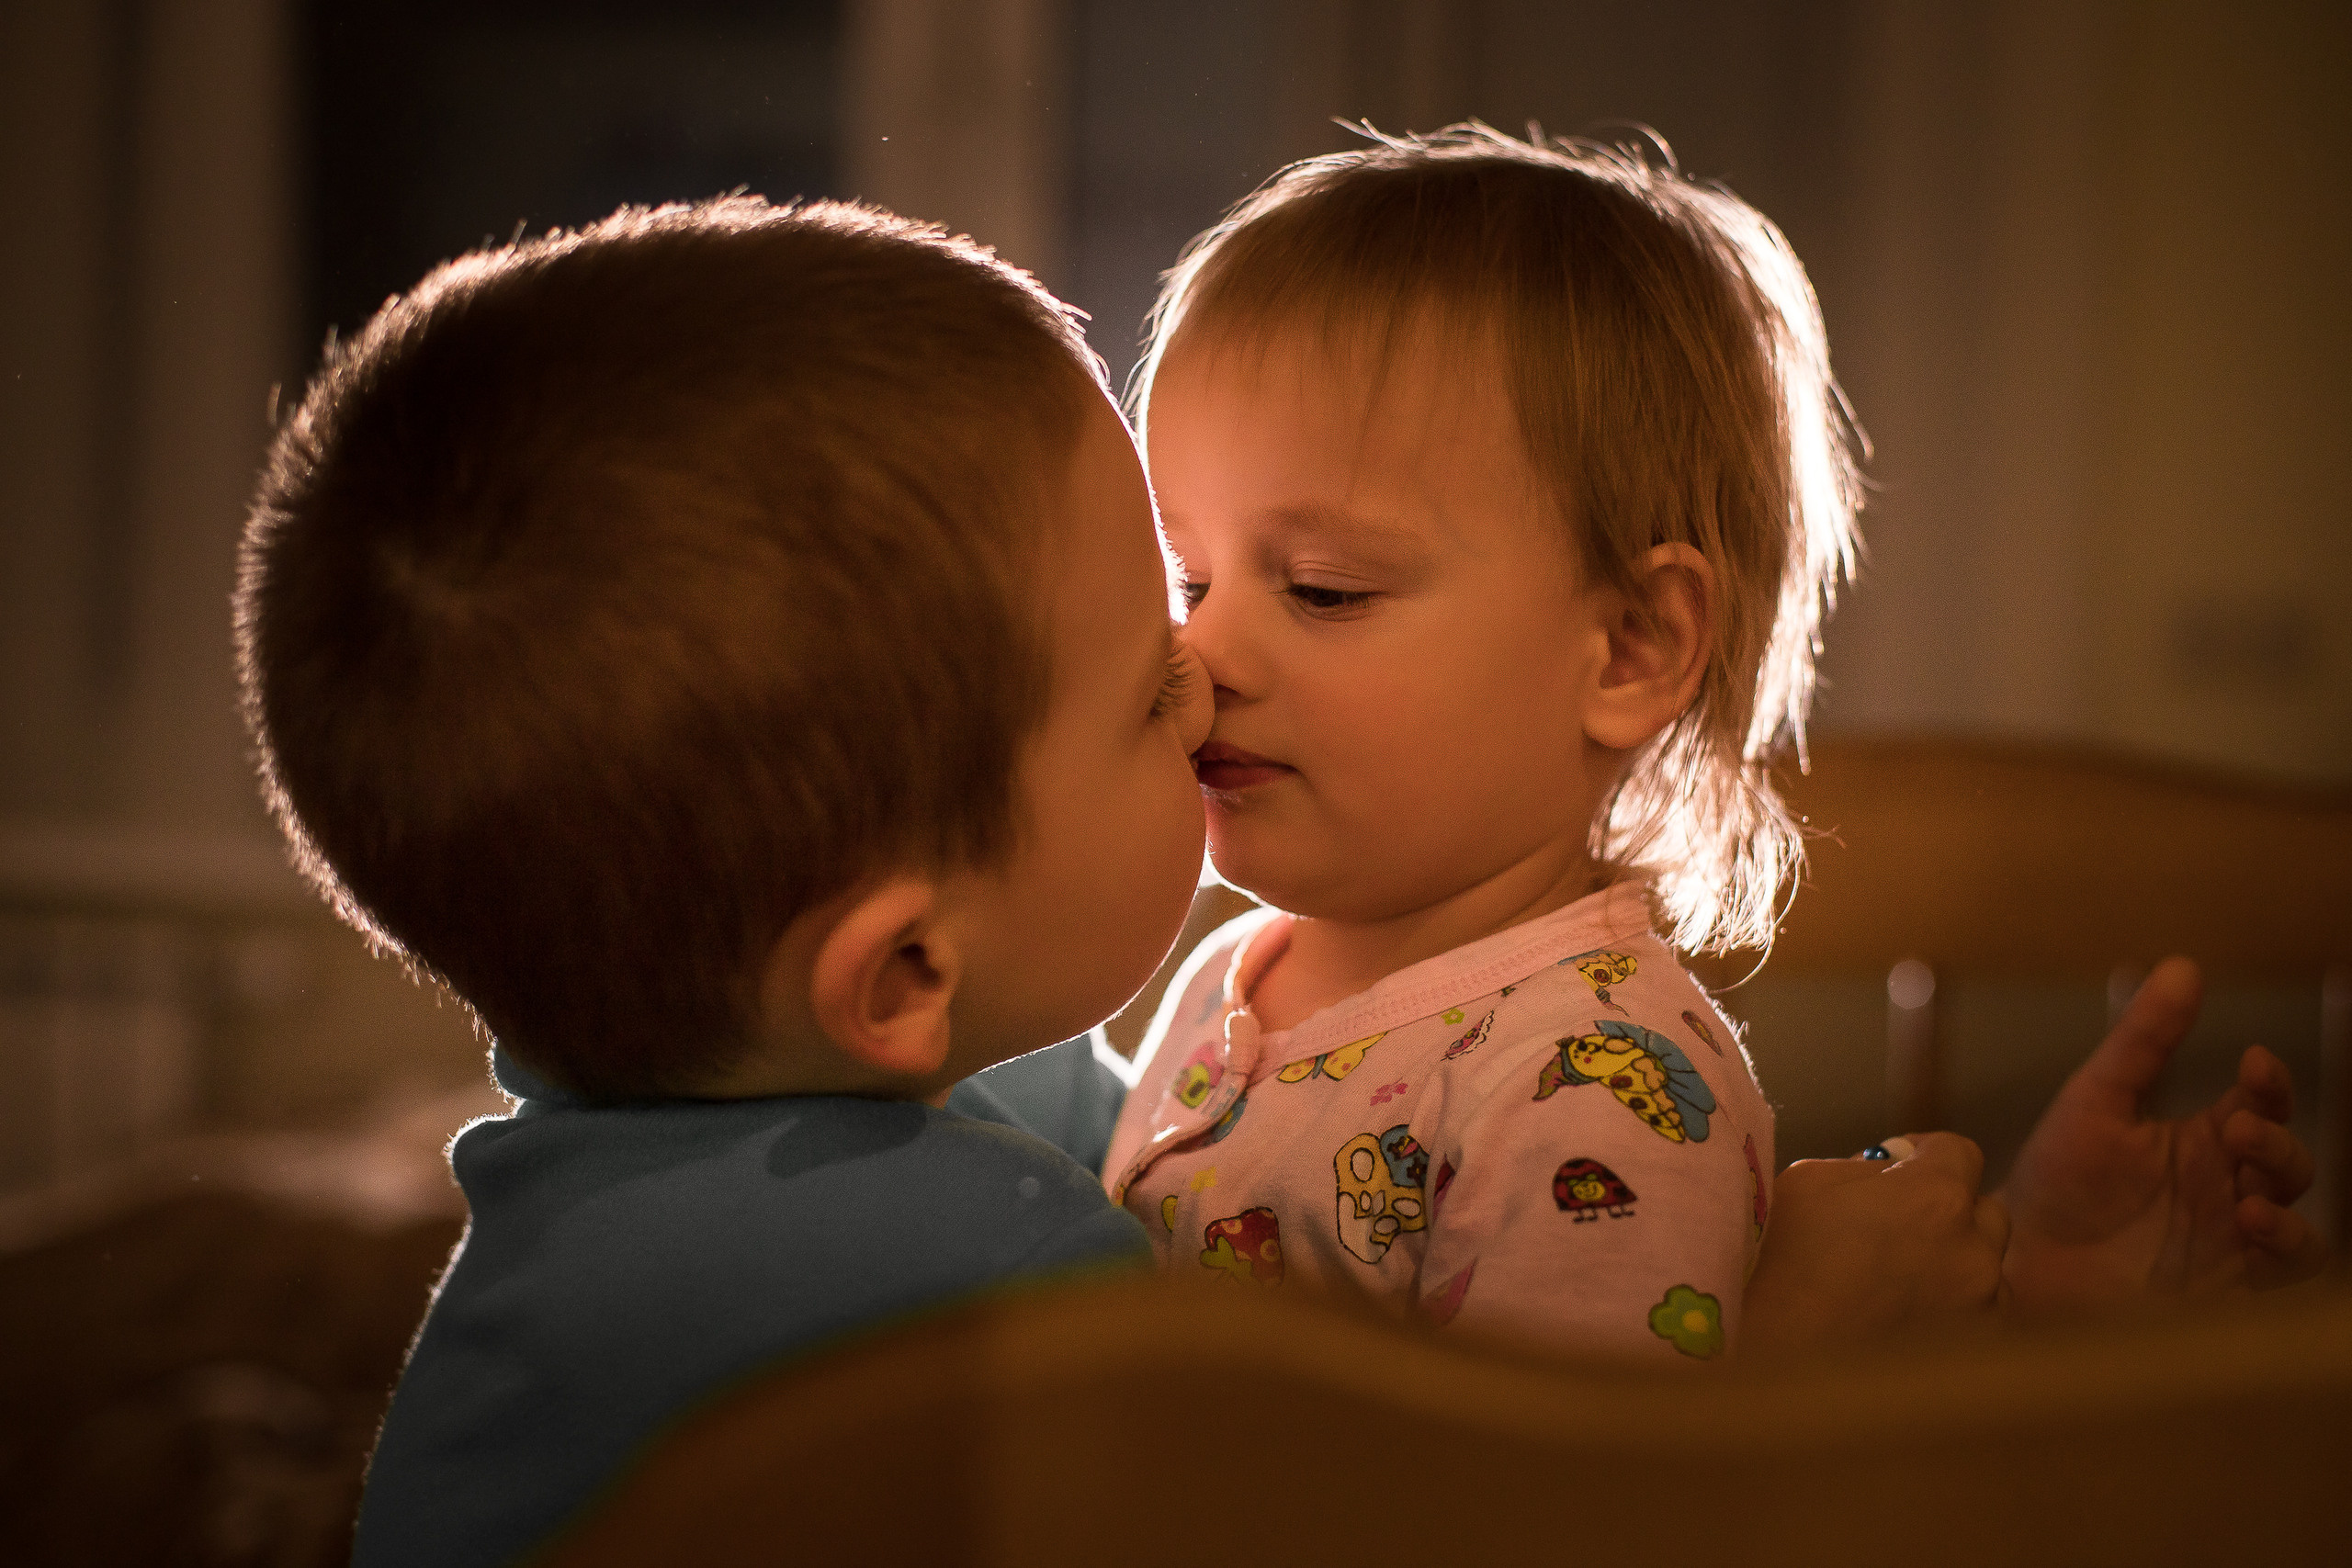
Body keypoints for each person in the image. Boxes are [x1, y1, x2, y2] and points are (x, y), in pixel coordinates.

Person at [1104, 125, 2319, 1358]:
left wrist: (1791, 1351)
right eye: (1188, 581)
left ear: (1630, 647)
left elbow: (1608, 1507)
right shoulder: (1230, 977)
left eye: (1323, 588)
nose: (1202, 654)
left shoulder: (1587, 1082)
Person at [232, 197, 1217, 1567]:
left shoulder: (776, 1092)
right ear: (904, 971)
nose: (1217, 679)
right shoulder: (981, 1279)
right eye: (1155, 691)